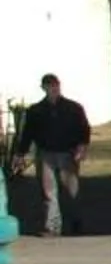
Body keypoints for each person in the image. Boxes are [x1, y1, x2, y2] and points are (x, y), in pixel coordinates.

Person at [7, 74, 91, 236]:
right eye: (49, 86)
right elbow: (28, 133)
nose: (53, 89)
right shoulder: (36, 111)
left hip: (68, 153)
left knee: (71, 190)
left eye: (55, 85)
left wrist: (82, 146)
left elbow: (84, 128)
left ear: (59, 86)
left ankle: (76, 222)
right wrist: (20, 153)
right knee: (49, 192)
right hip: (46, 154)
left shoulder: (73, 108)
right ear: (44, 88)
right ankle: (52, 227)